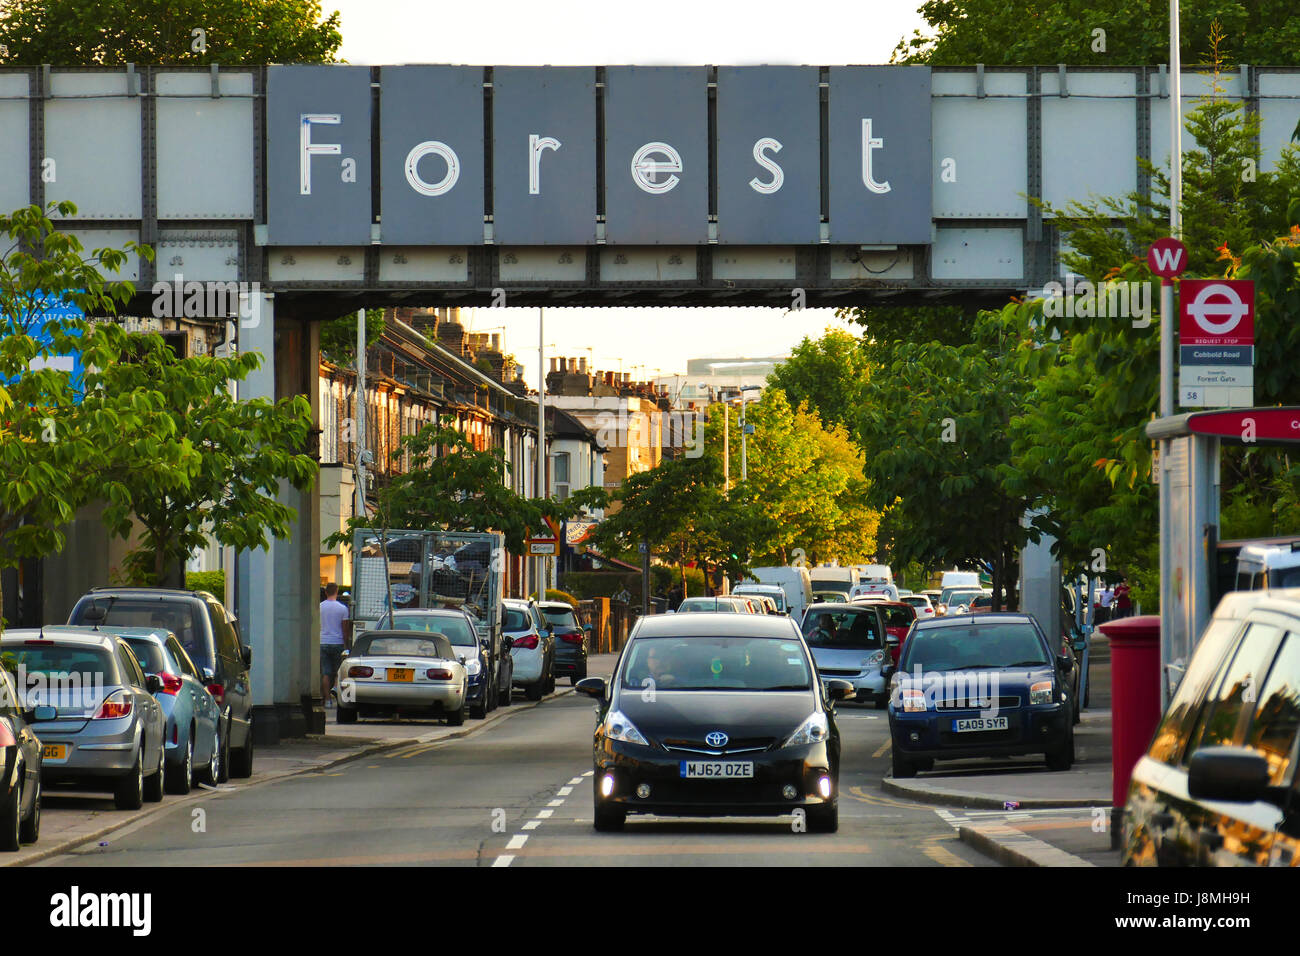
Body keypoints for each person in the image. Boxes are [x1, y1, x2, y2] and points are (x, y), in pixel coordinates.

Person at [320, 583, 351, 708]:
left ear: (326, 592)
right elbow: (345, 629)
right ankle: (338, 696)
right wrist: (346, 645)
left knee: (326, 672)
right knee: (339, 672)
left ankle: (327, 700)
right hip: (337, 642)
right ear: (337, 592)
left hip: (323, 642)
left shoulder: (319, 607)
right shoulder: (342, 608)